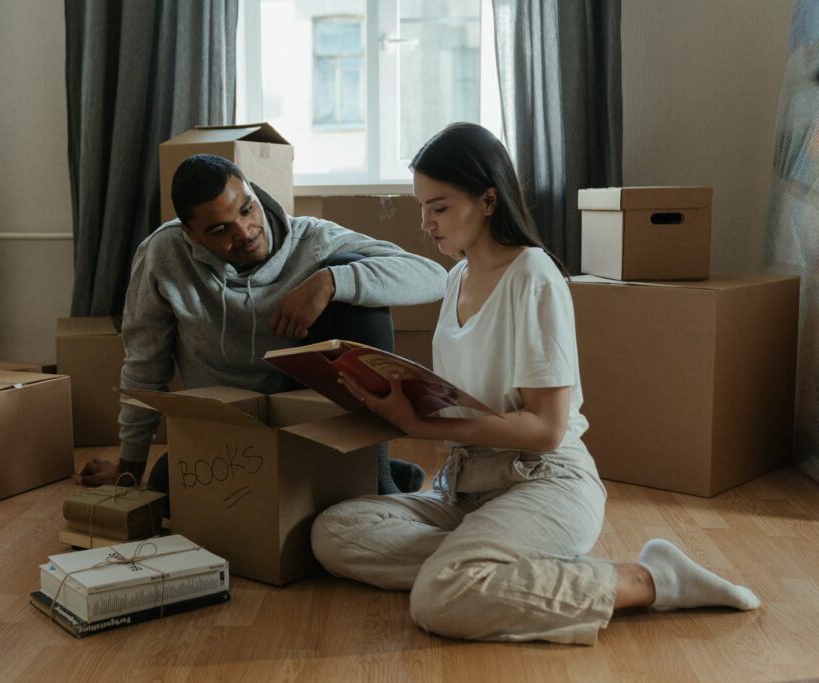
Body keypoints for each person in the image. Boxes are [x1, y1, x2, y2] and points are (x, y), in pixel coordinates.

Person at [310, 123, 760, 645]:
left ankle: (649, 579)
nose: (426, 223)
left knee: (440, 598)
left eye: (440, 207)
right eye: (421, 208)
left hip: (543, 480)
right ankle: (493, 561)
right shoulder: (456, 276)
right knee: (334, 532)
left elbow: (548, 429)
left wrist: (421, 427)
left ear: (487, 200)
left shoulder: (533, 277)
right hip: (465, 484)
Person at [78, 153, 448, 495]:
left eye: (246, 209)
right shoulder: (164, 254)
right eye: (220, 230)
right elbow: (145, 366)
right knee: (165, 489)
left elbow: (434, 277)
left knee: (354, 274)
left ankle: (377, 476)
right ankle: (340, 472)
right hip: (229, 427)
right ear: (190, 235)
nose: (244, 232)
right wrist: (128, 472)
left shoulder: (312, 240)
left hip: (306, 417)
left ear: (253, 191)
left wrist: (330, 282)